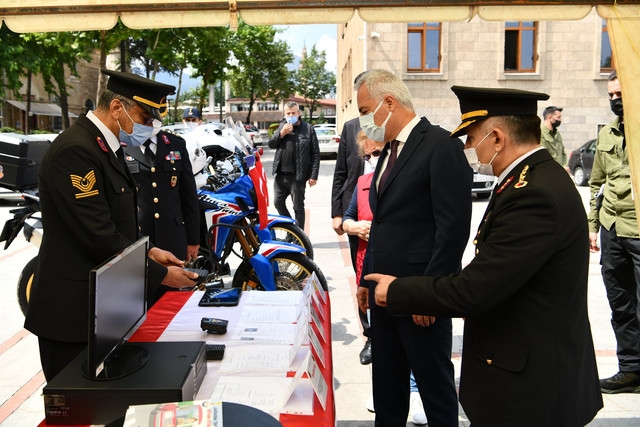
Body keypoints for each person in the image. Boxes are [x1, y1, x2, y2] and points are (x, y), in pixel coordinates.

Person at [368, 85, 604, 426]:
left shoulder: (533, 193)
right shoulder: (529, 179)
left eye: (472, 136)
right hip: (524, 370)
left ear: (496, 138)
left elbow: (476, 289)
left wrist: (399, 291)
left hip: (531, 387)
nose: (466, 146)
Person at [23, 69, 199, 382]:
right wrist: (160, 275)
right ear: (117, 107)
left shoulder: (105, 146)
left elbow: (120, 223)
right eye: (145, 116)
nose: (149, 126)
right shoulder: (76, 151)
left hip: (101, 309)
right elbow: (98, 236)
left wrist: (151, 250)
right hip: (73, 317)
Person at [355, 69, 472, 426]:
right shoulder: (389, 151)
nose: (362, 120)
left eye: (364, 109)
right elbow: (384, 223)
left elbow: (452, 231)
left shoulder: (440, 145)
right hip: (383, 294)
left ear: (389, 102)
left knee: (434, 388)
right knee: (387, 390)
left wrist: (430, 293)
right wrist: (365, 278)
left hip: (420, 294)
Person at [343, 131, 427, 425]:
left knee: (415, 347)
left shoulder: (404, 183)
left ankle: (415, 391)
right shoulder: (365, 183)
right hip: (370, 270)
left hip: (404, 280)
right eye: (367, 156)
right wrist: (355, 227)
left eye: (377, 154)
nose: (372, 161)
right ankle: (387, 392)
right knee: (383, 344)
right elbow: (347, 217)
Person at [588, 70, 640, 394]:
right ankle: (631, 369)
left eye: (619, 95)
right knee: (620, 303)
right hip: (612, 227)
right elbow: (597, 184)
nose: (614, 101)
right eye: (610, 96)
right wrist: (592, 225)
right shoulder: (606, 133)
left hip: (637, 229)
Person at [124, 115, 200, 303]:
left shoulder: (175, 143)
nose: (151, 124)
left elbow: (188, 196)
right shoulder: (122, 145)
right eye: (146, 119)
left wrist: (193, 240)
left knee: (172, 300)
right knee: (139, 298)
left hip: (173, 237)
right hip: (140, 236)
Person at [331, 116, 372, 364]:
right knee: (361, 273)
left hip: (385, 212)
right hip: (356, 209)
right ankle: (370, 336)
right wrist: (338, 213)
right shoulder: (350, 127)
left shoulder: (394, 126)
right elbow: (340, 173)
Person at [268, 101, 320, 230]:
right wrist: (282, 133)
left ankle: (299, 239)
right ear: (284, 115)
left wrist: (313, 175)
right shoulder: (282, 127)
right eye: (288, 113)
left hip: (298, 176)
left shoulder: (308, 129)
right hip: (281, 175)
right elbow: (271, 144)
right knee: (278, 203)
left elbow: (315, 154)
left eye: (293, 113)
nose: (291, 115)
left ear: (299, 113)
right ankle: (292, 230)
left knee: (298, 208)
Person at [540, 105, 569, 171]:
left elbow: (563, 153)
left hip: (559, 173)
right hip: (547, 172)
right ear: (549, 117)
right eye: (558, 117)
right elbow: (542, 156)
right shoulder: (540, 133)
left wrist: (564, 166)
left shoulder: (557, 134)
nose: (560, 120)